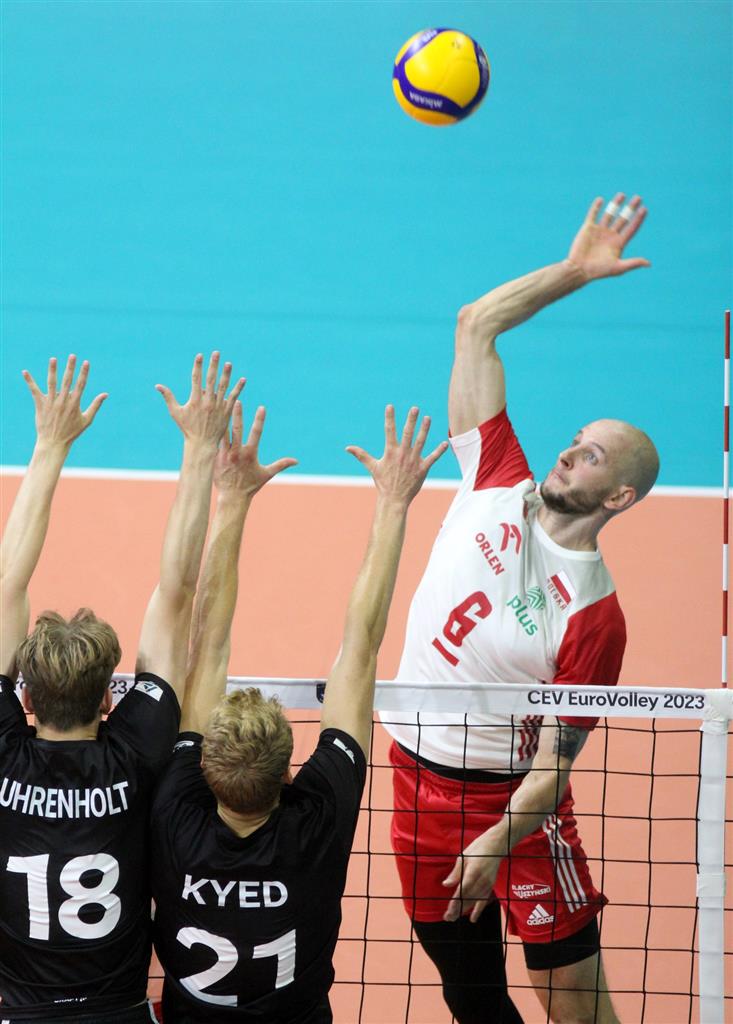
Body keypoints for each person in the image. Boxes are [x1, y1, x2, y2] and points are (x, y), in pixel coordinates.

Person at [382, 193, 659, 1024]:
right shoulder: (495, 476)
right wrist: (574, 272)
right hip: (415, 784)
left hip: (517, 811)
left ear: (616, 496)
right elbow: (476, 325)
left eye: (591, 455)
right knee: (471, 999)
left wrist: (497, 839)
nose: (569, 451)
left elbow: (552, 767)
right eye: (575, 439)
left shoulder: (593, 616)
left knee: (574, 1009)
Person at [149, 403, 448, 1023]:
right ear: (289, 770)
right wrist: (394, 503)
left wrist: (231, 499)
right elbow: (361, 649)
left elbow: (207, 649)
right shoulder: (315, 824)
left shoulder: (174, 815)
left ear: (205, 768)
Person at [0, 352, 243, 1023]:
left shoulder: (5, 754)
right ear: (110, 697)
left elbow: (8, 585)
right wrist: (200, 449)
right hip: (122, 1009)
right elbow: (177, 592)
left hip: (21, 1013)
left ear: (26, 699)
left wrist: (49, 445)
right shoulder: (138, 751)